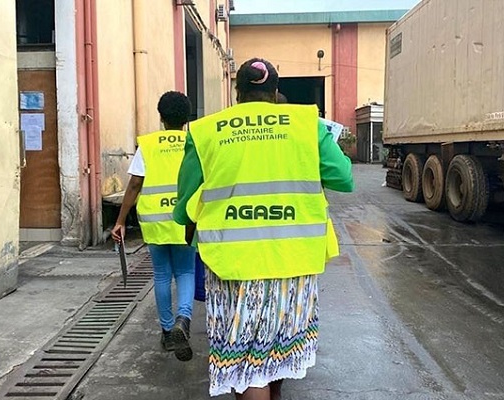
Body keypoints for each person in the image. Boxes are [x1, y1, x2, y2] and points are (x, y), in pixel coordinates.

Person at [173, 58, 354, 399]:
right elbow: (343, 178)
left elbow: (184, 201)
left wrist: (188, 218)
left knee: (246, 365)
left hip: (233, 265)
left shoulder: (206, 129)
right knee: (277, 355)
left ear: (237, 92)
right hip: (295, 260)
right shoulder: (306, 124)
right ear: (275, 92)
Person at [112, 91, 196, 362]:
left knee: (161, 275)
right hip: (185, 219)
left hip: (155, 220)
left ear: (161, 117)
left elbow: (135, 184)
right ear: (187, 118)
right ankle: (184, 318)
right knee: (185, 271)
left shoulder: (147, 145)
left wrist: (121, 220)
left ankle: (167, 329)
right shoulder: (194, 141)